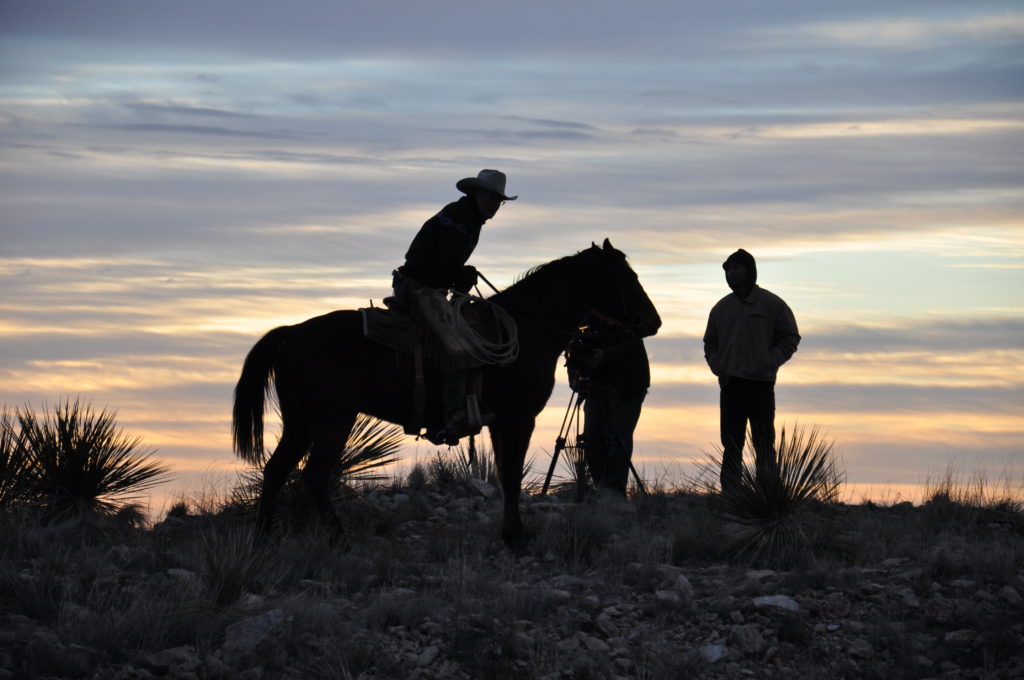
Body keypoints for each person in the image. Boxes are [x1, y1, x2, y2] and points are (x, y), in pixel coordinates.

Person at [389, 169, 517, 445]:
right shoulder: (460, 217)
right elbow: (448, 263)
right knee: (458, 344)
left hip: (427, 287)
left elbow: (448, 264)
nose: (496, 206)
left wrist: (461, 276)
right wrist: (464, 276)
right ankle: (452, 415)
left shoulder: (467, 217)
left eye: (500, 201)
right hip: (419, 289)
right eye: (493, 198)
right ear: (477, 194)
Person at [703, 249, 800, 495]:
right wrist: (718, 367)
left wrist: (770, 361)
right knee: (732, 443)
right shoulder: (721, 308)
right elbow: (710, 342)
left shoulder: (772, 304)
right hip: (731, 385)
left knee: (764, 443)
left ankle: (768, 495)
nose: (733, 273)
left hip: (760, 385)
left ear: (750, 271)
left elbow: (790, 337)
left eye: (737, 267)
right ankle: (731, 496)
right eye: (729, 269)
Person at [567, 315, 650, 497]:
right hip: (595, 384)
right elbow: (573, 347)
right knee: (591, 438)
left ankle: (614, 493)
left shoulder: (625, 309)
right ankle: (602, 489)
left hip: (627, 384)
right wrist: (574, 376)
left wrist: (605, 356)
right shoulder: (583, 314)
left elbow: (634, 343)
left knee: (618, 438)